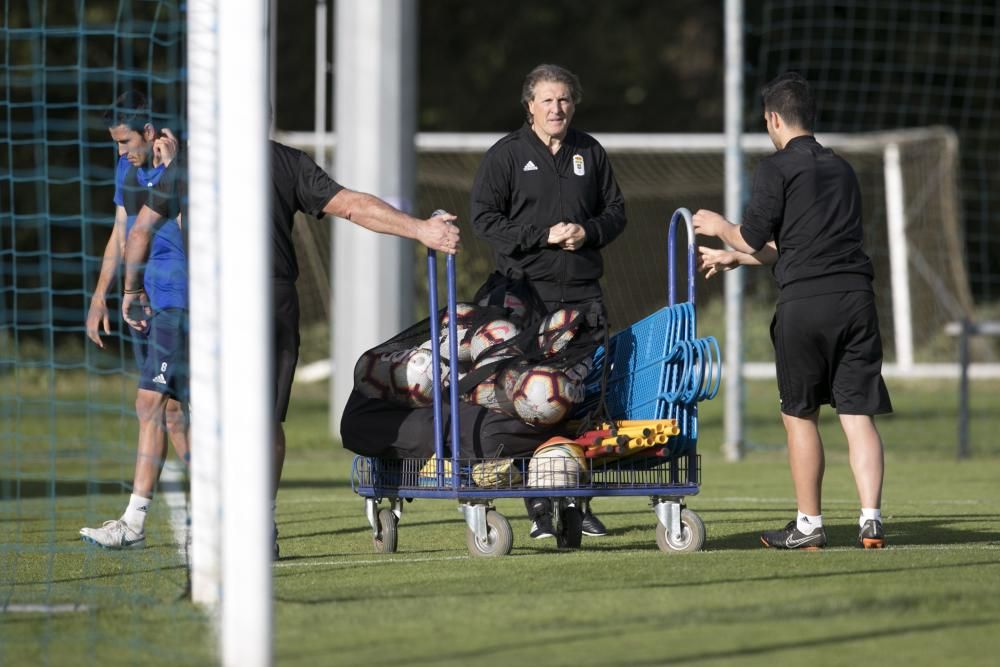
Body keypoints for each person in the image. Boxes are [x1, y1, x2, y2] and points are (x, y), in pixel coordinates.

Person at [693, 72, 891, 550]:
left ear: (773, 119)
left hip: (806, 305)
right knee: (857, 413)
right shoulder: (842, 168)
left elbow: (753, 235)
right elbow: (798, 243)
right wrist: (736, 258)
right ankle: (871, 519)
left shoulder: (775, 168)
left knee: (799, 416)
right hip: (856, 301)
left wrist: (721, 228)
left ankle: (809, 524)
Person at [269, 139, 459, 558]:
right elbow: (145, 221)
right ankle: (228, 518)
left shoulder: (282, 162)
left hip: (264, 297)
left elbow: (352, 205)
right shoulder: (191, 160)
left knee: (262, 419)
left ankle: (257, 520)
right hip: (216, 296)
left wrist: (421, 229)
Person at [469, 63, 627, 540]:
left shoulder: (590, 151)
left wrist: (589, 231)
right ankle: (536, 502)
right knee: (529, 399)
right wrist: (542, 236)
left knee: (583, 401)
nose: (557, 108)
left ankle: (579, 500)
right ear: (529, 106)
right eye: (547, 100)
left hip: (582, 295)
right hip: (525, 298)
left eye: (564, 100)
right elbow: (483, 219)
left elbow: (616, 212)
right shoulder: (507, 155)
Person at [80, 92, 189, 550]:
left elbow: (188, 230)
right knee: (173, 413)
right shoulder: (127, 170)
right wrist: (99, 296)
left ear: (149, 132)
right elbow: (121, 234)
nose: (120, 151)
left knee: (147, 403)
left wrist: (175, 173)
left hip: (179, 300)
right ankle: (216, 514)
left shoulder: (182, 170)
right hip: (143, 303)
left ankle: (133, 523)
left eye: (125, 140)